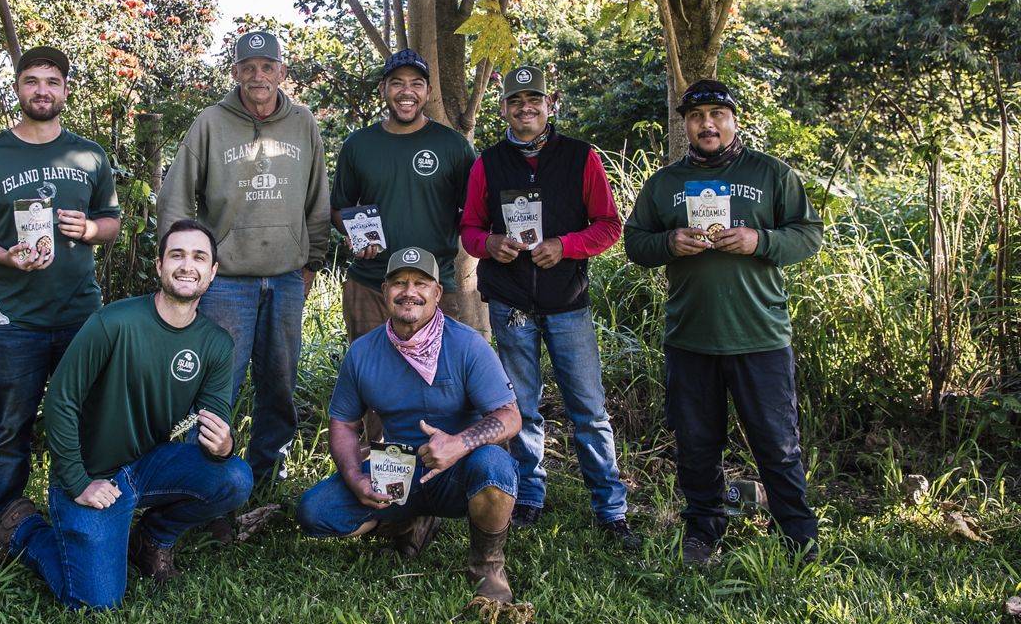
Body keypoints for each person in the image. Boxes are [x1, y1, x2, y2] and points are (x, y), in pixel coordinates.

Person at [0, 219, 254, 610]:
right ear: (159, 266)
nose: (187, 265)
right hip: (92, 473)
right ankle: (24, 530)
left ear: (212, 272)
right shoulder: (114, 323)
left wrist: (225, 446)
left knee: (235, 478)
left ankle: (151, 539)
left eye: (198, 257)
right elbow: (61, 400)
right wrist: (77, 481)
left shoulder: (216, 344)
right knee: (95, 602)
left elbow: (216, 419)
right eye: (176, 255)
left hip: (147, 464)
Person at [623, 79, 823, 566]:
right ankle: (703, 529)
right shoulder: (665, 184)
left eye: (716, 114)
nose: (706, 124)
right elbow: (635, 243)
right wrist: (670, 243)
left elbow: (809, 234)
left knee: (778, 444)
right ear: (685, 124)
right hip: (691, 337)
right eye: (695, 116)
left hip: (760, 336)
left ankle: (797, 535)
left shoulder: (772, 173)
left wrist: (761, 241)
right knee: (696, 444)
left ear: (734, 119)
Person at [0, 46, 121, 540]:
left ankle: (84, 521)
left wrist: (87, 228)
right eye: (31, 81)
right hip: (12, 319)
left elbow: (112, 224)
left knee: (87, 421)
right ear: (18, 88)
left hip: (80, 315)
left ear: (65, 90)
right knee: (11, 428)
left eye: (52, 81)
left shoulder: (89, 155)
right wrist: (5, 255)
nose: (42, 90)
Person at [459, 65, 638, 548]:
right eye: (515, 100)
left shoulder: (581, 158)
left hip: (567, 303)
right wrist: (489, 243)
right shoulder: (488, 163)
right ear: (504, 108)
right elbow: (470, 229)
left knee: (589, 409)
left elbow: (608, 225)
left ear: (549, 104)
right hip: (511, 302)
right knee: (521, 407)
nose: (525, 108)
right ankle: (528, 498)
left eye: (533, 99)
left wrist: (566, 245)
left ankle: (611, 509)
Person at [296, 247, 523, 605]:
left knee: (495, 468)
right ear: (385, 291)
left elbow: (510, 416)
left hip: (460, 469)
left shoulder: (467, 345)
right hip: (398, 471)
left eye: (421, 283)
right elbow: (342, 423)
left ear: (437, 293)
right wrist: (356, 478)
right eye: (399, 282)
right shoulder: (364, 352)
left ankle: (488, 566)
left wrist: (458, 444)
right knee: (315, 512)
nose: (409, 291)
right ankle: (407, 520)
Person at [157, 30, 331, 485]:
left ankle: (266, 473)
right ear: (235, 72)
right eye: (249, 67)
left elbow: (318, 199)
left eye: (267, 67)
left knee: (279, 382)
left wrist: (311, 260)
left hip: (288, 276)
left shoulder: (303, 122)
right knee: (217, 382)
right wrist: (184, 267)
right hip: (227, 280)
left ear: (281, 73)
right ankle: (200, 476)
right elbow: (176, 198)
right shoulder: (211, 122)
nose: (259, 76)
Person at [330, 48, 478, 341]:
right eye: (397, 82)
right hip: (371, 285)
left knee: (437, 380)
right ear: (384, 88)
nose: (406, 91)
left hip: (433, 286)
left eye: (416, 83)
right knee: (372, 379)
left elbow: (473, 212)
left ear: (428, 91)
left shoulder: (453, 146)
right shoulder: (358, 145)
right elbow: (339, 209)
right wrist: (355, 235)